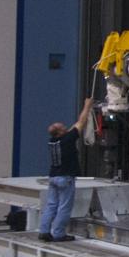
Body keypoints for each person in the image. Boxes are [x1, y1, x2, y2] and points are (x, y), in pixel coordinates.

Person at [39, 98, 92, 243]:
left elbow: (70, 130)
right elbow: (80, 122)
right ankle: (58, 233)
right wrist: (87, 105)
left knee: (51, 205)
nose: (66, 127)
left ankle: (44, 231)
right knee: (64, 207)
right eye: (63, 127)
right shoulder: (68, 139)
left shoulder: (53, 141)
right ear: (61, 132)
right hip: (65, 178)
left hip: (53, 177)